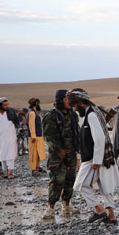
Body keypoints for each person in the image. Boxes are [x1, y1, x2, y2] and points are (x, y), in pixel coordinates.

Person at [69, 88, 119, 224]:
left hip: (95, 158)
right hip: (98, 157)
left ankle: (99, 210)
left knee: (81, 185)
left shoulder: (92, 115)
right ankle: (111, 216)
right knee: (105, 186)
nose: (74, 109)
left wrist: (97, 160)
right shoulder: (89, 114)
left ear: (81, 102)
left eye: (74, 105)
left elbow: (99, 138)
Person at [41, 89, 80, 218]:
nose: (69, 102)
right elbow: (48, 137)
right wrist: (59, 151)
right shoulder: (51, 116)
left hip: (71, 153)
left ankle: (67, 205)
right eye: (66, 99)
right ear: (60, 100)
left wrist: (78, 152)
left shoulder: (72, 114)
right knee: (56, 181)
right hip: (57, 156)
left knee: (70, 180)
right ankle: (50, 208)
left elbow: (77, 133)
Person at [0, 97, 18, 179]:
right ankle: (5, 171)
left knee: (11, 153)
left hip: (11, 136)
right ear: (0, 105)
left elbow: (16, 122)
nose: (7, 106)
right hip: (0, 137)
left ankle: (10, 171)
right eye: (5, 105)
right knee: (2, 154)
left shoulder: (11, 112)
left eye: (7, 104)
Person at [27, 98, 47, 176]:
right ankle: (33, 169)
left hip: (38, 135)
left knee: (38, 152)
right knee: (34, 153)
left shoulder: (35, 112)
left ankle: (37, 167)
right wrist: (33, 136)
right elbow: (31, 125)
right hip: (34, 137)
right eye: (38, 103)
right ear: (36, 103)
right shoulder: (32, 113)